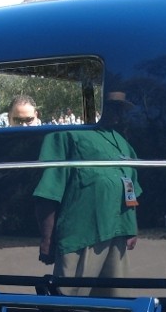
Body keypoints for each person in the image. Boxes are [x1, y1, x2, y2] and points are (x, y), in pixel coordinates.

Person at [33, 94, 142, 297]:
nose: (119, 115)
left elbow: (131, 186)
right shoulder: (67, 134)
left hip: (118, 233)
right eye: (112, 107)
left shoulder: (121, 141)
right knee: (71, 299)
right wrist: (47, 238)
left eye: (122, 109)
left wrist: (132, 226)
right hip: (82, 233)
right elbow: (49, 190)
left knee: (116, 298)